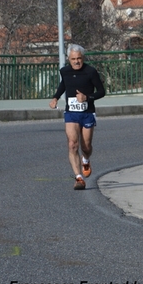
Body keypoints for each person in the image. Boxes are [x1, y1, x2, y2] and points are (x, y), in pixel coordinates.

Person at [49, 44, 106, 190]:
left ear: (83, 58)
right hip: (71, 113)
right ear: (69, 59)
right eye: (73, 59)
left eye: (79, 58)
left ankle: (86, 159)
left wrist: (87, 97)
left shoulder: (90, 72)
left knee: (85, 146)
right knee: (72, 144)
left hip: (87, 113)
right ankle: (78, 178)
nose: (76, 61)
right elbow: (64, 84)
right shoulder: (65, 71)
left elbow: (101, 91)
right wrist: (55, 97)